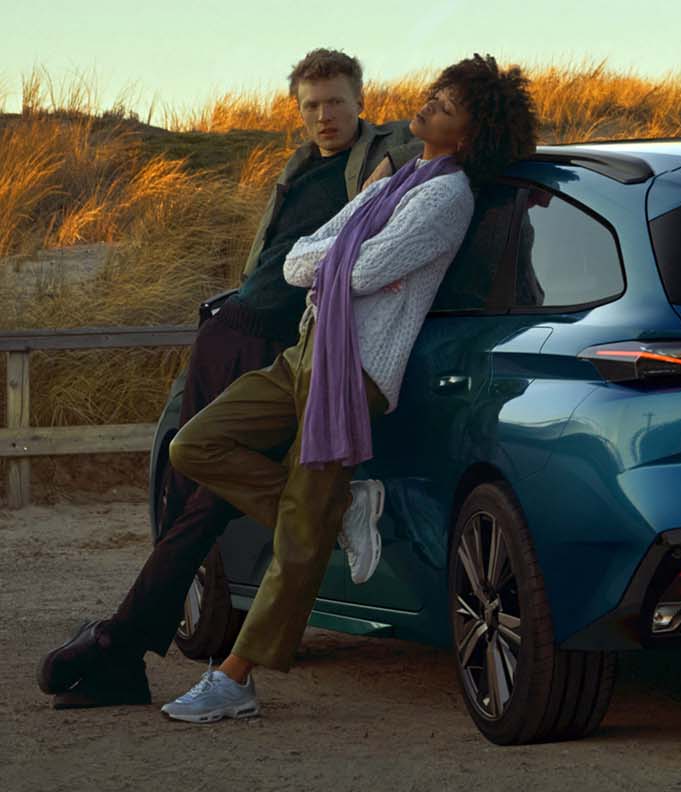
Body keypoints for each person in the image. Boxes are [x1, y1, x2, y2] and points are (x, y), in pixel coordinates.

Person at [157, 54, 538, 723]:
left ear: (468, 135)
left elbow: (358, 272)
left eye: (447, 106)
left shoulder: (446, 198)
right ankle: (343, 510)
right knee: (195, 445)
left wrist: (326, 260)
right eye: (436, 93)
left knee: (299, 531)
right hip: (308, 352)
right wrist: (328, 259)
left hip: (354, 371)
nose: (429, 104)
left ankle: (237, 678)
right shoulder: (397, 179)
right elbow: (301, 258)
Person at [36, 48, 417, 710]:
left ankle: (120, 644)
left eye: (335, 101)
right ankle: (127, 651)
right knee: (181, 490)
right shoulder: (299, 167)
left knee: (208, 499)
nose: (324, 116)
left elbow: (427, 143)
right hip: (226, 330)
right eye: (311, 105)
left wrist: (391, 162)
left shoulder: (386, 150)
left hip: (279, 347)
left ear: (361, 101)